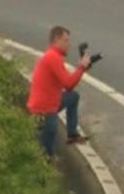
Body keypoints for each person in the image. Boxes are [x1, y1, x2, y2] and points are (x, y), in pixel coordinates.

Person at [26, 26, 91, 158]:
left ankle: (72, 133)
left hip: (48, 103)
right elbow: (68, 84)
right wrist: (81, 68)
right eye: (66, 40)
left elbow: (68, 82)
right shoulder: (53, 58)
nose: (69, 44)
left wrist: (81, 69)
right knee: (46, 153)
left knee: (73, 97)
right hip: (44, 111)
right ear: (57, 40)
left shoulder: (53, 56)